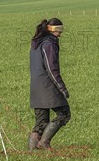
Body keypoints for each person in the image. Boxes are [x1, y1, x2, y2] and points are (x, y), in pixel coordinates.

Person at [28, 18, 71, 151]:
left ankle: (32, 151)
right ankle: (44, 142)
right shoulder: (48, 44)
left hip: (36, 86)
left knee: (41, 122)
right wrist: (62, 88)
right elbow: (51, 68)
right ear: (53, 30)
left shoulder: (36, 43)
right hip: (47, 86)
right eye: (59, 30)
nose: (61, 34)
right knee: (64, 113)